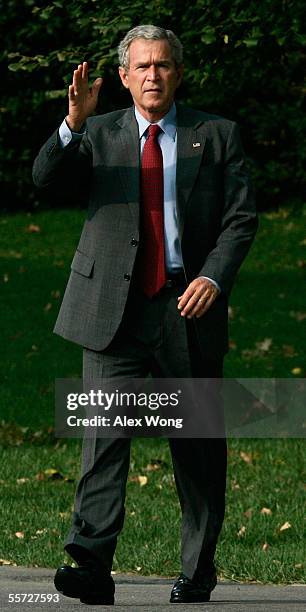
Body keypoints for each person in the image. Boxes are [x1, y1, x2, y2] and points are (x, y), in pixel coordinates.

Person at [33, 24, 258, 605]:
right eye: (142, 66)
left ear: (177, 73)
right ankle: (89, 566)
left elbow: (240, 219)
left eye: (163, 65)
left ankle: (197, 570)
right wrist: (73, 124)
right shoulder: (99, 134)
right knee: (104, 439)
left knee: (198, 448)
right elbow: (46, 180)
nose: (153, 75)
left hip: (188, 306)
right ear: (126, 77)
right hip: (112, 312)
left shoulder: (218, 134)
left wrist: (213, 276)